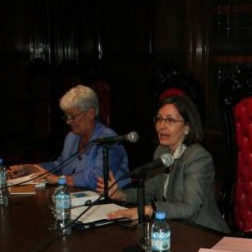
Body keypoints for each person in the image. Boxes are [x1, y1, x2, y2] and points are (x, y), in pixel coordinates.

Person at [99, 94, 230, 234]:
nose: (161, 126)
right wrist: (121, 195)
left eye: (170, 120)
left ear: (187, 127)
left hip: (204, 233)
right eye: (159, 119)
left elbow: (190, 209)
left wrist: (151, 209)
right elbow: (148, 192)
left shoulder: (198, 158)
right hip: (175, 228)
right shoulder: (161, 151)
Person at [7, 84, 130, 190]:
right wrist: (33, 168)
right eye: (66, 117)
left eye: (72, 116)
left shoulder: (110, 140)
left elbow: (98, 178)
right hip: (78, 198)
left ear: (90, 113)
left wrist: (58, 179)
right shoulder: (72, 137)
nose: (68, 121)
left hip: (113, 203)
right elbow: (60, 165)